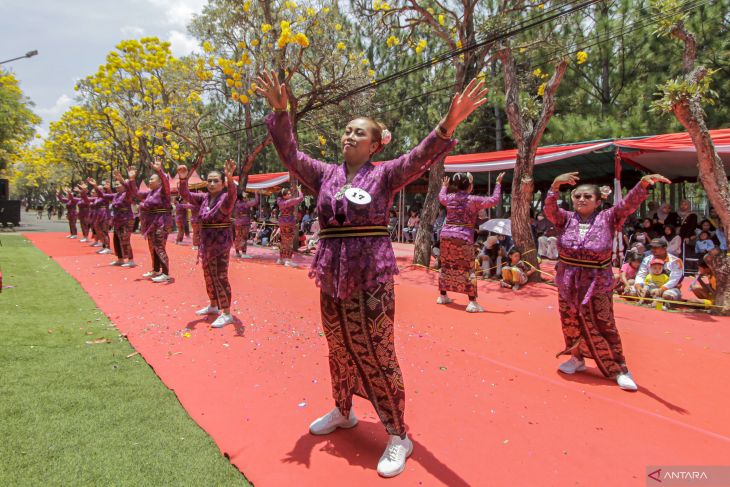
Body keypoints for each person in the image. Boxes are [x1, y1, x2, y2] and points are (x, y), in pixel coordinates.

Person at [258, 69, 486, 477]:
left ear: (376, 143)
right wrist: (281, 113)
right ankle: (344, 409)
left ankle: (398, 434)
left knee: (378, 349)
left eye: (358, 132)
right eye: (347, 130)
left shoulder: (386, 174)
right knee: (338, 344)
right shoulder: (324, 174)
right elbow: (290, 156)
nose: (348, 136)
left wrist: (448, 123)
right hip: (332, 271)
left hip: (371, 274)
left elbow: (420, 157)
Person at [545, 171, 670, 391]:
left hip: (597, 281)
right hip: (568, 280)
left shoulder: (609, 218)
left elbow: (627, 205)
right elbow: (550, 209)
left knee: (604, 323)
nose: (581, 200)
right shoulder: (564, 218)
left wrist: (642, 186)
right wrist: (555, 186)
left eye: (587, 197)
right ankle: (577, 358)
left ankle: (619, 368)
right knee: (570, 321)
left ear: (598, 201)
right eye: (577, 196)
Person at [178, 160, 237, 328]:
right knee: (208, 275)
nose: (211, 184)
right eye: (209, 181)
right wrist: (183, 179)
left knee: (220, 276)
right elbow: (186, 195)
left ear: (222, 183)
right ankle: (213, 305)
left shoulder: (226, 198)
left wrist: (230, 178)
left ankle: (226, 313)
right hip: (206, 244)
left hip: (221, 244)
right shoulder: (204, 198)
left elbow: (233, 194)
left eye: (215, 181)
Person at [436, 171, 503, 312]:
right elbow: (494, 200)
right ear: (470, 186)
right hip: (463, 237)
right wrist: (497, 184)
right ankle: (472, 302)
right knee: (468, 269)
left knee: (446, 265)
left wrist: (444, 186)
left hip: (446, 235)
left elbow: (441, 197)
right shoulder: (473, 200)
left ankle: (443, 296)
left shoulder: (449, 197)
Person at [129, 157, 174, 283]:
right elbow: (136, 194)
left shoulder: (164, 191)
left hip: (162, 223)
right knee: (152, 247)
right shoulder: (149, 193)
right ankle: (155, 270)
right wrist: (132, 179)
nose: (149, 181)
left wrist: (160, 171)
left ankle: (165, 273)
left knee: (159, 246)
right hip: (150, 224)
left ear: (159, 182)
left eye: (152, 179)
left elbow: (166, 180)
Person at [88, 170, 136, 267]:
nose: (116, 186)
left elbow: (130, 188)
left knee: (125, 239)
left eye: (118, 184)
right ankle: (120, 259)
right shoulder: (115, 195)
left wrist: (122, 179)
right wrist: (95, 186)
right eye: (116, 185)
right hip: (117, 220)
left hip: (127, 220)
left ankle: (131, 260)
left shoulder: (128, 194)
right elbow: (102, 195)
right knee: (116, 239)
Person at [634, 238, 684, 302]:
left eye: (656, 247)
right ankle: (652, 298)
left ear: (664, 248)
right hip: (650, 286)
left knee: (667, 296)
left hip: (668, 288)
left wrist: (662, 289)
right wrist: (638, 286)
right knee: (632, 291)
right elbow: (641, 275)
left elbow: (674, 280)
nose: (652, 250)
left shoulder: (676, 261)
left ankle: (655, 299)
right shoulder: (647, 259)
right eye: (651, 247)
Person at [276, 185, 304, 266]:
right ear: (284, 196)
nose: (290, 195)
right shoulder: (289, 202)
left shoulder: (279, 201)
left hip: (282, 222)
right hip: (289, 223)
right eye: (288, 194)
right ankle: (288, 260)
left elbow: (279, 196)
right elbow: (301, 198)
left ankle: (281, 259)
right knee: (289, 241)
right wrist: (299, 190)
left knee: (283, 241)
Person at [234, 190, 260, 258]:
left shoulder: (237, 203)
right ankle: (244, 253)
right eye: (244, 193)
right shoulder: (246, 203)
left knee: (237, 237)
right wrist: (256, 193)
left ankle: (237, 252)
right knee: (244, 237)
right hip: (244, 222)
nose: (246, 193)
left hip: (237, 222)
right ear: (242, 196)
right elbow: (256, 201)